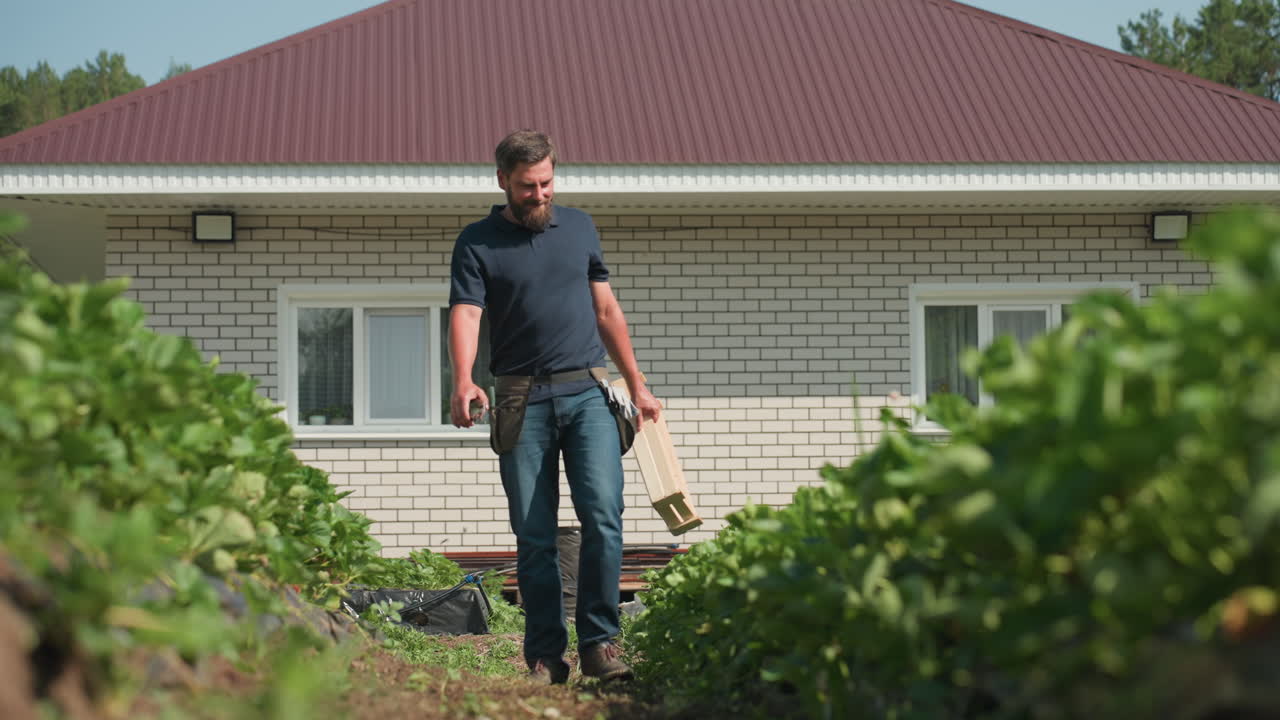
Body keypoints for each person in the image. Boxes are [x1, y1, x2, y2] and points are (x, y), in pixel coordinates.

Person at [447, 129, 661, 684]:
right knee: (535, 531)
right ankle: (545, 655)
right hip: (519, 397)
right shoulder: (477, 241)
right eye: (527, 186)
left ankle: (600, 645)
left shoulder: (581, 227)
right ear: (502, 181)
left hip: (587, 391)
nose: (539, 194)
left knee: (604, 518)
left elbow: (607, 310)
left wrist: (636, 385)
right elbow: (467, 313)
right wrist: (464, 379)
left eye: (546, 183)